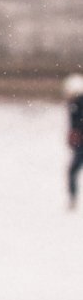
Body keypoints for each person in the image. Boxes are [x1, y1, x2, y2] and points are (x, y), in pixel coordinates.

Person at [62, 73, 83, 211]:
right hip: (79, 143)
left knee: (72, 171)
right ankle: (72, 198)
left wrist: (76, 134)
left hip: (81, 144)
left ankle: (73, 199)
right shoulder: (75, 104)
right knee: (72, 171)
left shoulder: (77, 104)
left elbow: (77, 124)